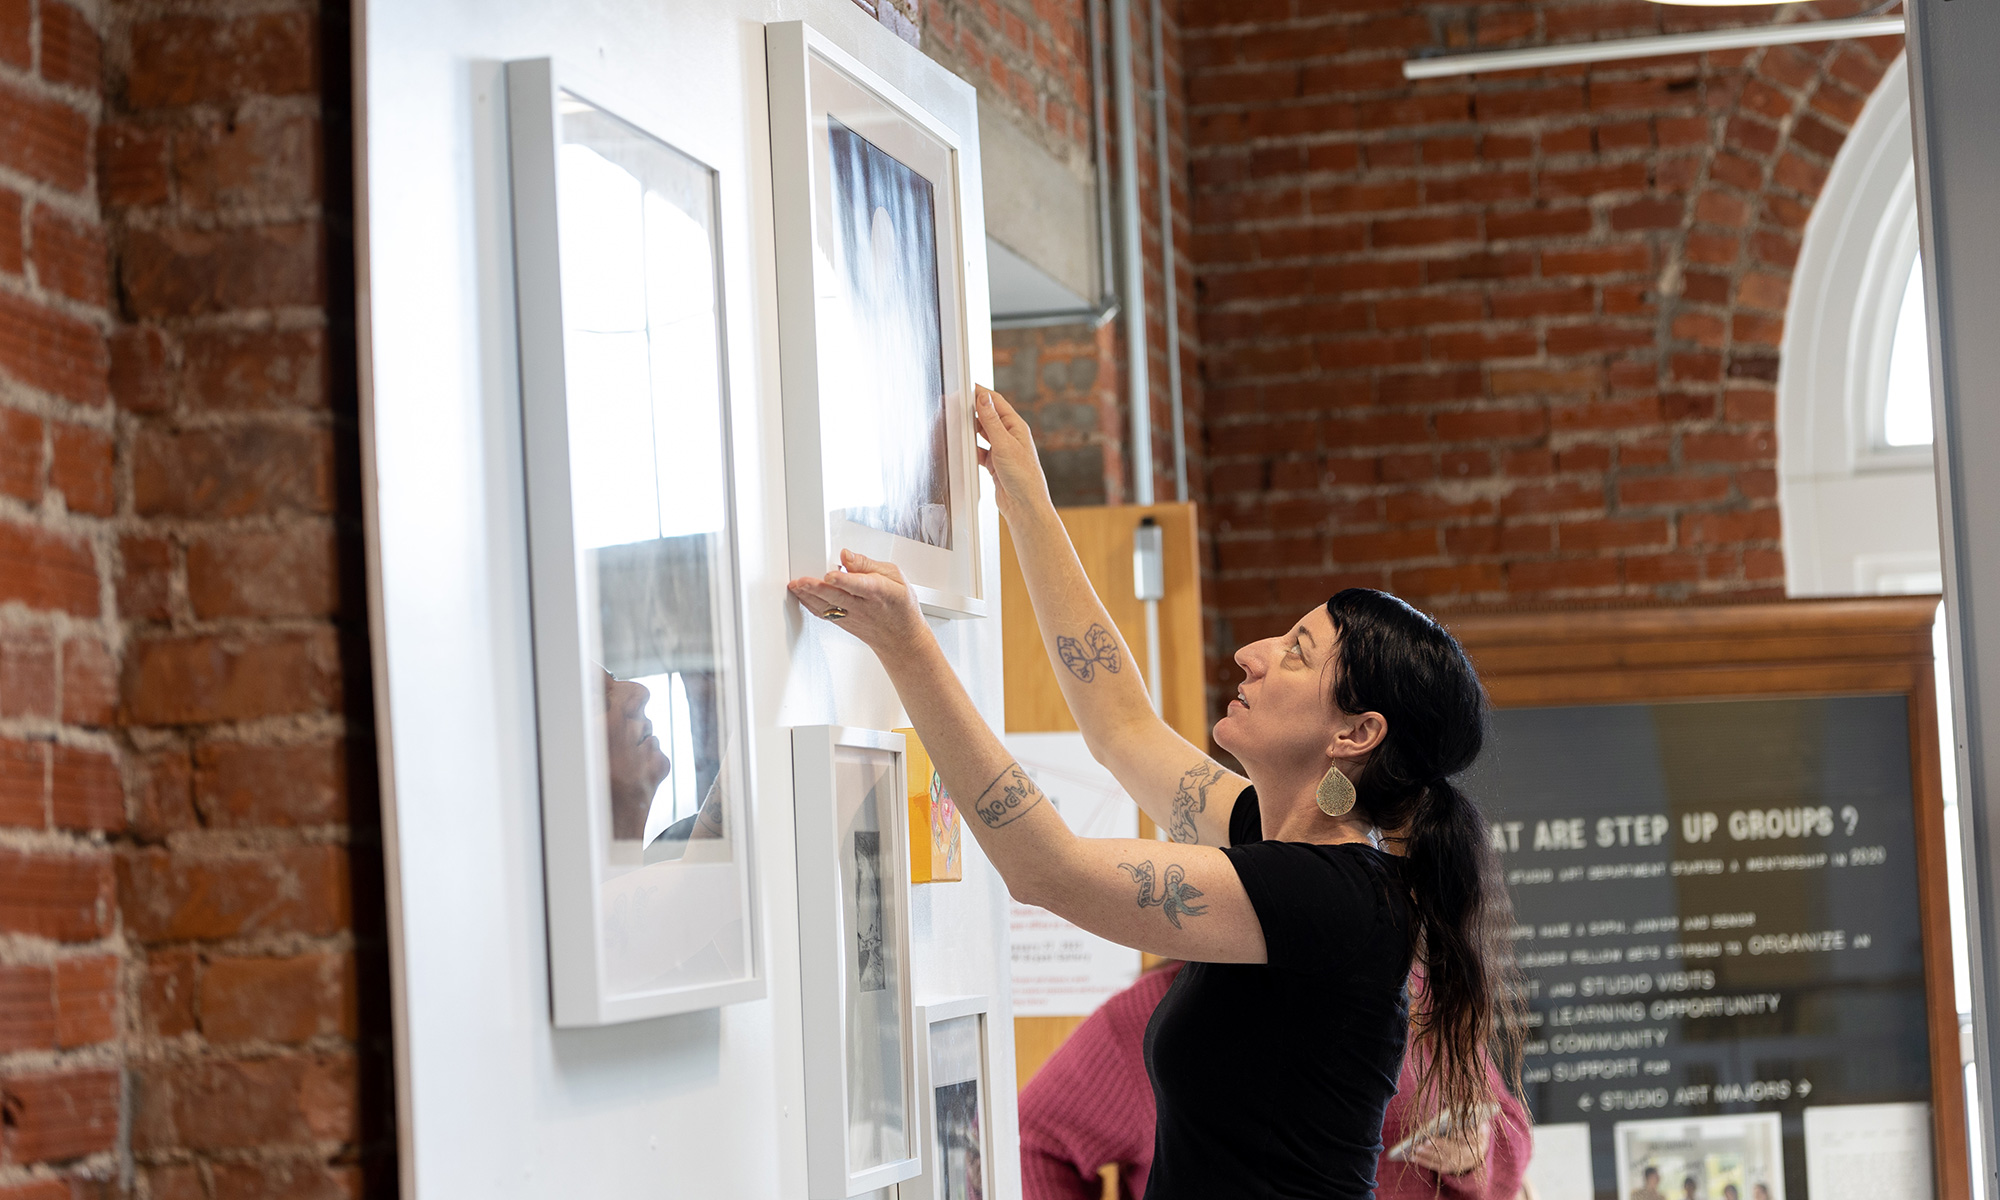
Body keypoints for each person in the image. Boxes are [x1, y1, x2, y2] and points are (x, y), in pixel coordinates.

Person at [789, 386, 1520, 1199]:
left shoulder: (1335, 898)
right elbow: (1120, 725)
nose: (1252, 653)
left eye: (1297, 653)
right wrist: (1025, 495)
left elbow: (1047, 870)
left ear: (1356, 735)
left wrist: (909, 649)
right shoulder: (1274, 841)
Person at [1020, 963, 1531, 1200]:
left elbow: (1507, 1127)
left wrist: (1476, 1157)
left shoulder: (1410, 982)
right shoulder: (1153, 1020)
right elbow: (1030, 1140)